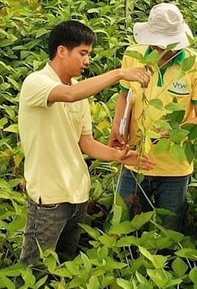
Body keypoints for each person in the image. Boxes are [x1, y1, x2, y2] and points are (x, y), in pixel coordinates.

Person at [18, 20, 154, 266]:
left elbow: (86, 143)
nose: (87, 61)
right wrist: (120, 73)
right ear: (61, 51)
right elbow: (68, 96)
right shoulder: (36, 83)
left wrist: (118, 156)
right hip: (48, 197)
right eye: (83, 53)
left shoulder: (79, 90)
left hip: (78, 194)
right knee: (35, 268)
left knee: (66, 263)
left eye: (89, 54)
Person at [109, 2, 197, 232]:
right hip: (134, 159)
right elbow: (124, 95)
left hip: (174, 167)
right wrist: (117, 125)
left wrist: (178, 131)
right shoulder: (133, 55)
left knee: (170, 229)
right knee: (125, 225)